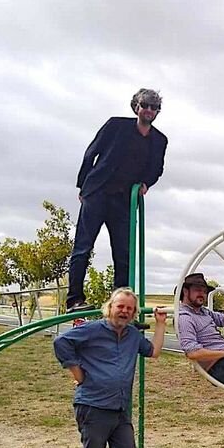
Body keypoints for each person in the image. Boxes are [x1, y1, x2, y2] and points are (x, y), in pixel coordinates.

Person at [53, 287, 167, 448]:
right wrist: (77, 372)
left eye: (129, 308)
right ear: (110, 307)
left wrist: (160, 324)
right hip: (93, 405)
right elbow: (61, 342)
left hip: (120, 406)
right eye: (120, 306)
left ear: (134, 313)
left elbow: (154, 352)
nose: (124, 311)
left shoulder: (133, 335)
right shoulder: (93, 329)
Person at [66, 88, 169, 312]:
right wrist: (83, 186)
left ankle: (121, 306)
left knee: (124, 255)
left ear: (157, 111)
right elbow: (91, 153)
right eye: (145, 105)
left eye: (154, 107)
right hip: (98, 192)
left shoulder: (159, 140)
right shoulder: (116, 126)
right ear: (136, 107)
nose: (149, 110)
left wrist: (146, 183)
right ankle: (74, 299)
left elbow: (157, 168)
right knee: (83, 247)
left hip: (124, 201)